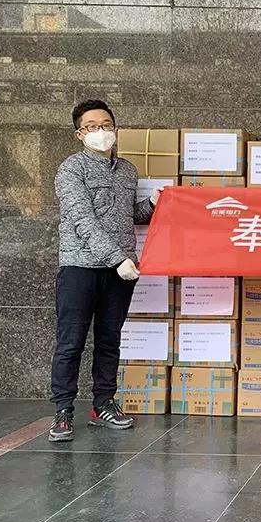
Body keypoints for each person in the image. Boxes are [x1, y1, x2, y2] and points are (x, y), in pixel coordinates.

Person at [49, 100, 163, 442]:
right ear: (79, 133)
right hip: (80, 268)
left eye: (106, 124)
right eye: (92, 126)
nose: (101, 131)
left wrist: (155, 204)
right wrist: (117, 259)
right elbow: (83, 220)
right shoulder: (71, 170)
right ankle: (63, 410)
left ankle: (103, 404)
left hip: (119, 272)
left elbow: (128, 215)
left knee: (110, 340)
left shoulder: (127, 170)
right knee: (71, 342)